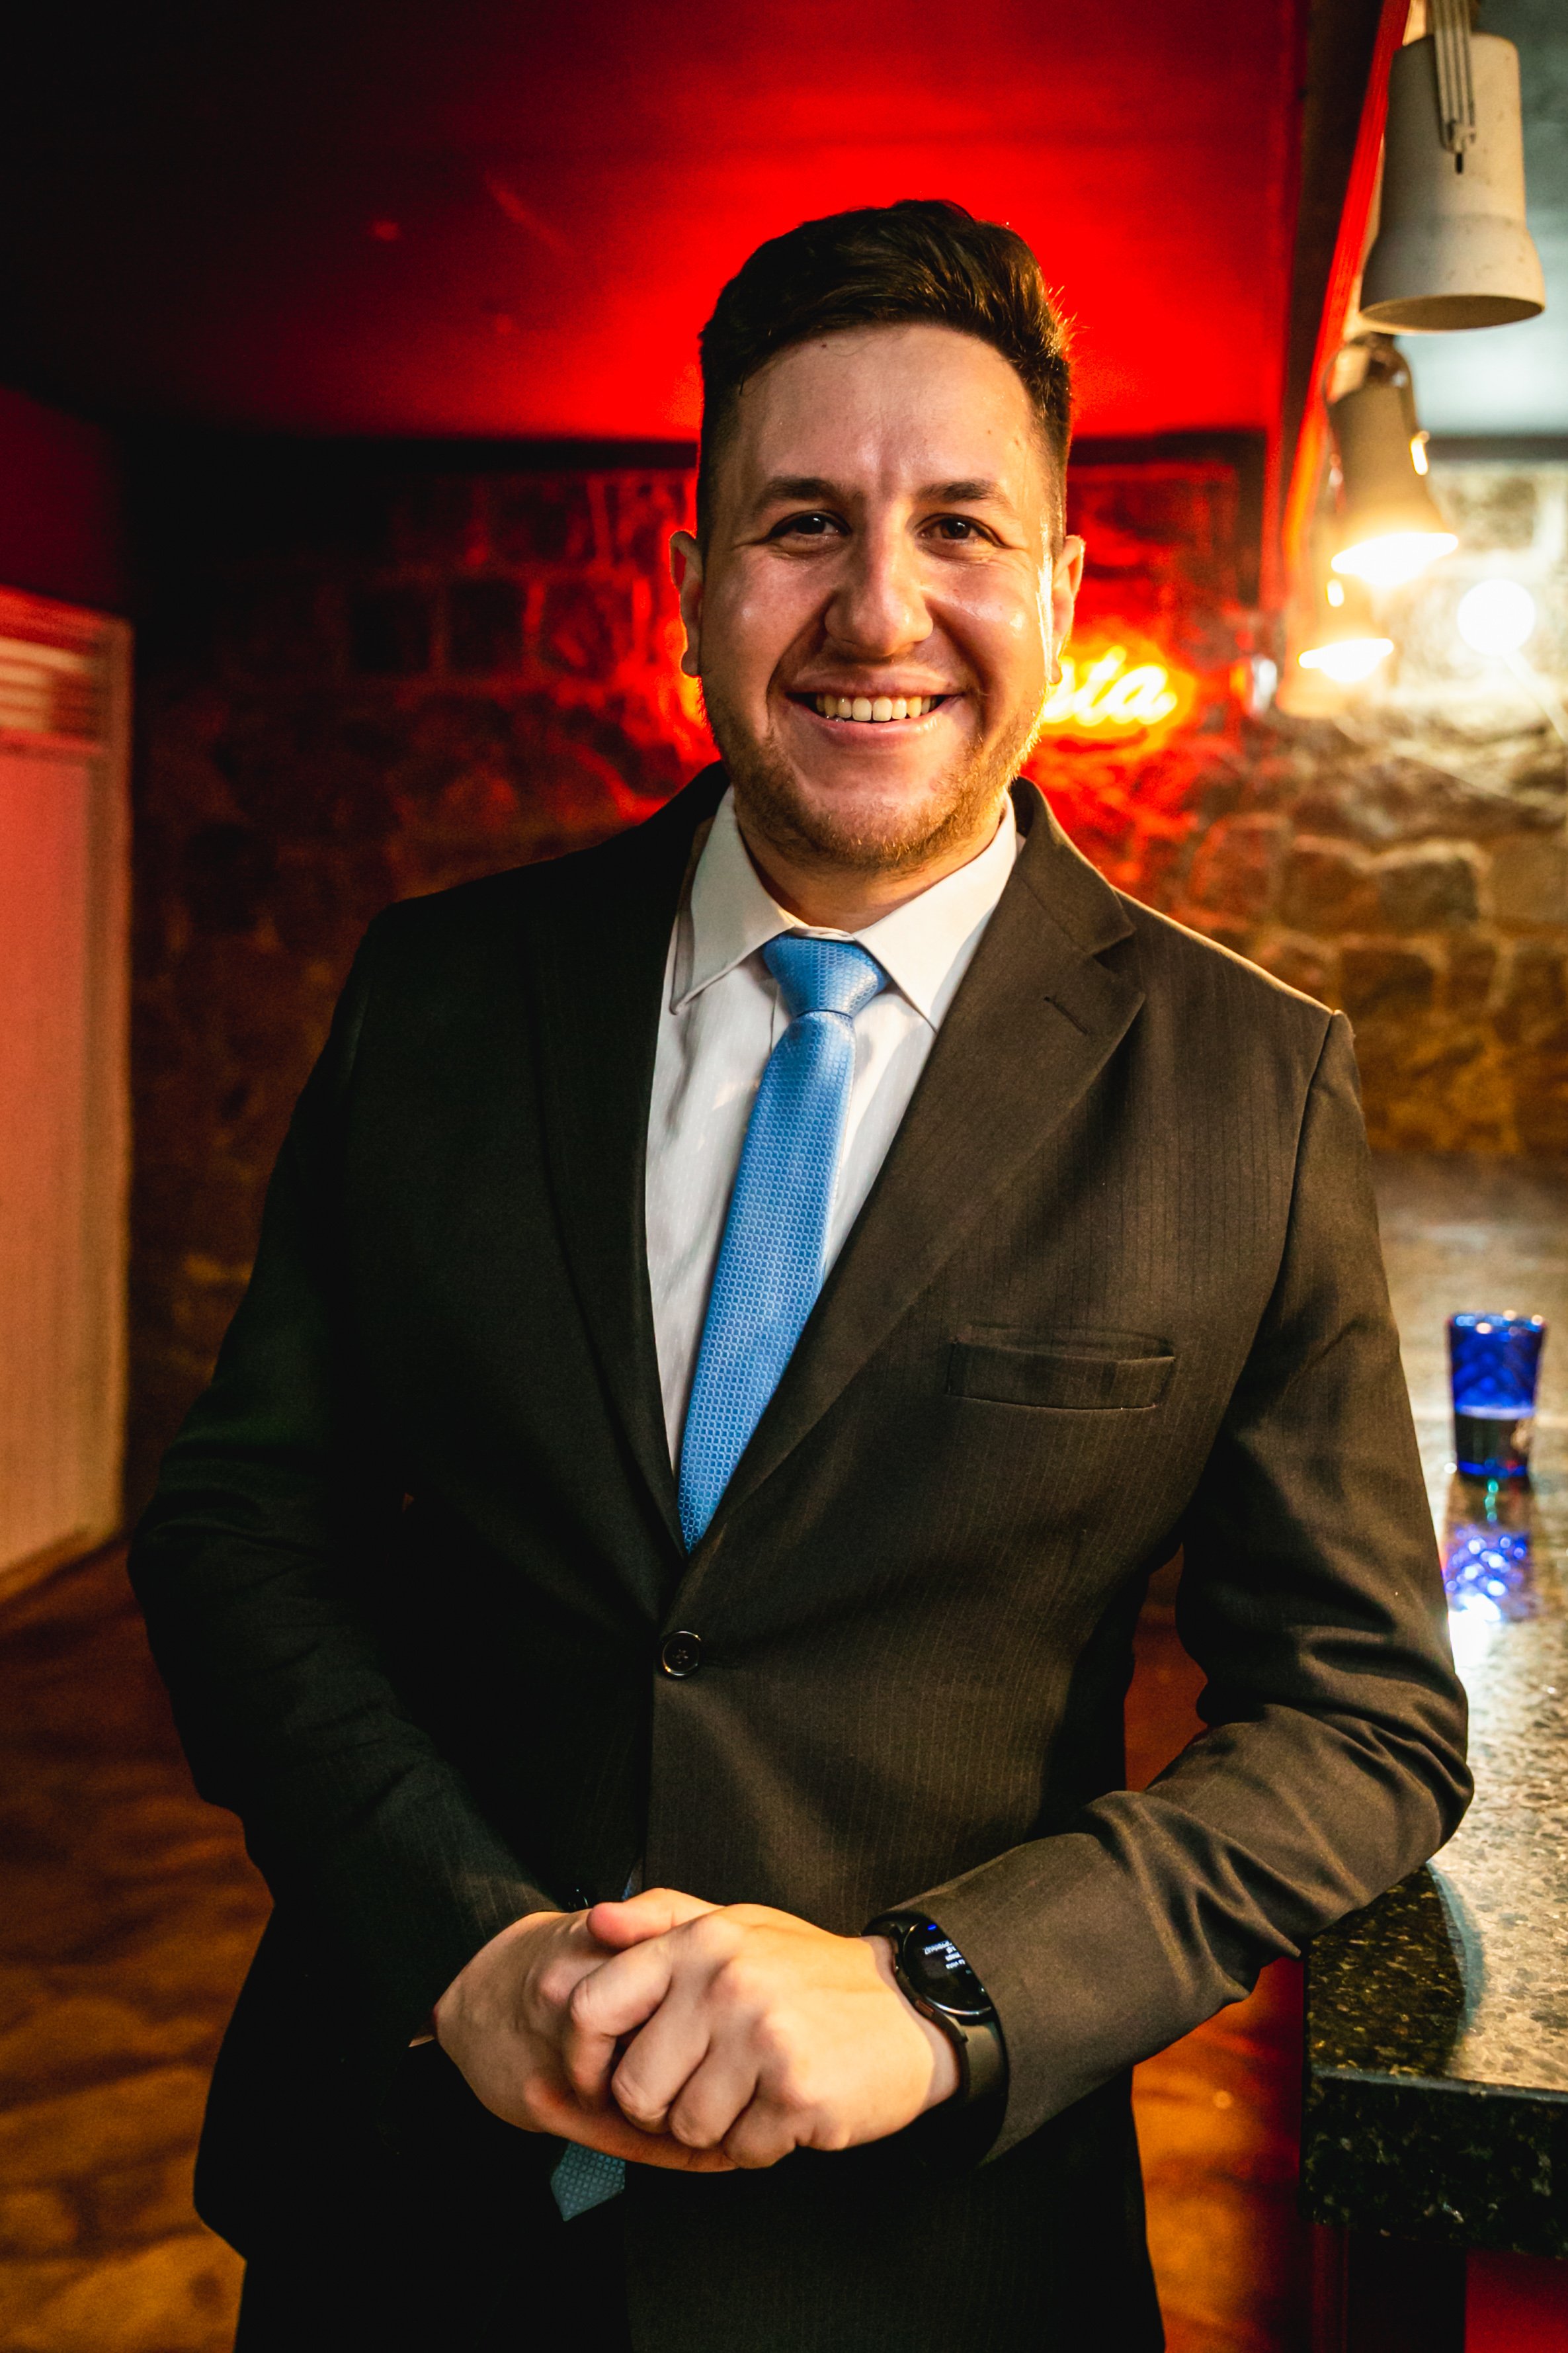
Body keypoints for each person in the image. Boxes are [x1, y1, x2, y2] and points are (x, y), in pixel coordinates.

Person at [131, 199, 1469, 2352]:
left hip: (930, 2261)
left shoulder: (1247, 1086)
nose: (877, 609)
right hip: (404, 2204)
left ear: (1061, 588)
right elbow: (240, 1529)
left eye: (957, 527)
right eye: (800, 524)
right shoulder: (442, 996)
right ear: (690, 582)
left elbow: (1360, 1715)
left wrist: (945, 1994)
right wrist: (459, 1944)